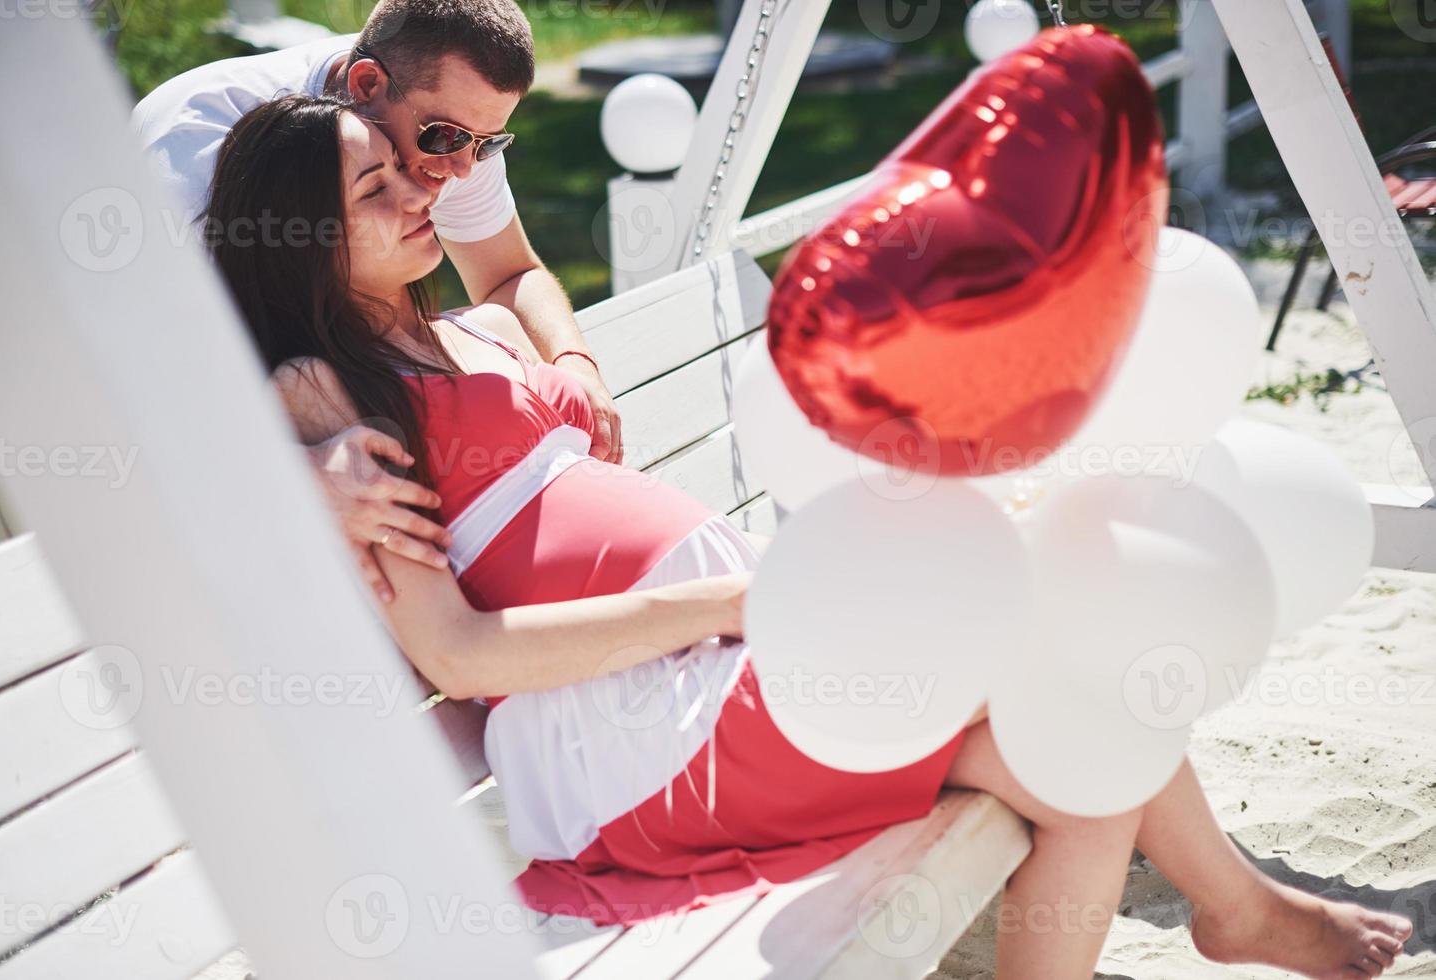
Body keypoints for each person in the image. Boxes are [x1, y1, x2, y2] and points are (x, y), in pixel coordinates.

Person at [204, 94, 1415, 980]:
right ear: (300, 234)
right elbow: (460, 654)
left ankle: (1233, 907)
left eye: (410, 169)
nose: (421, 191)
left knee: (1092, 743)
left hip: (733, 665)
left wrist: (564, 360)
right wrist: (297, 462)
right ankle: (1240, 907)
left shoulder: (462, 331)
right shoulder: (323, 390)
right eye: (375, 189)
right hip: (634, 734)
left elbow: (521, 290)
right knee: (1059, 669)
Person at [133, 0, 623, 603]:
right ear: (365, 85)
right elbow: (148, 387)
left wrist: (576, 364)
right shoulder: (191, 154)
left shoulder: (444, 111)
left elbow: (507, 276)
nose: (463, 171)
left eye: (489, 145)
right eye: (449, 139)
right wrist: (298, 477)